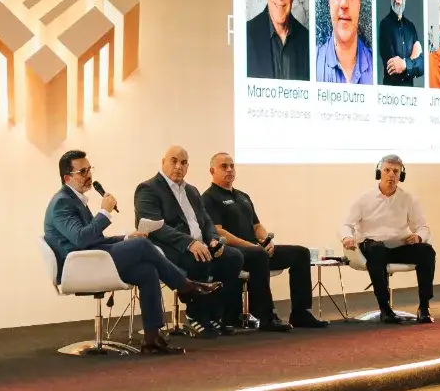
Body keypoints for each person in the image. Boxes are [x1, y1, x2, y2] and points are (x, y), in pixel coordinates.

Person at [43, 150, 220, 355]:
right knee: (144, 246)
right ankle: (186, 285)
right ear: (67, 178)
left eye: (89, 169)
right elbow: (82, 239)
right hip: (78, 267)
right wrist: (104, 212)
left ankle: (152, 340)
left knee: (147, 271)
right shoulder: (62, 202)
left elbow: (93, 239)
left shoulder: (75, 200)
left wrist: (126, 237)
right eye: (82, 171)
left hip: (91, 259)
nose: (88, 175)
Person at [203, 151, 329, 330]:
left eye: (232, 166)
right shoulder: (209, 198)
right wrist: (252, 246)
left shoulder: (242, 196)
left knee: (301, 253)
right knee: (258, 255)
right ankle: (266, 316)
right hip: (234, 252)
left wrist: (266, 241)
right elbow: (218, 230)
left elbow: (257, 226)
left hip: (256, 250)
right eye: (224, 166)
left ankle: (301, 313)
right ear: (212, 171)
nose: (229, 170)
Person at [135, 146, 248, 335]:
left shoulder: (192, 191)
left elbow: (206, 221)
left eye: (184, 163)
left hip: (199, 245)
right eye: (174, 161)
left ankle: (213, 314)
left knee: (233, 257)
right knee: (198, 258)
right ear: (163, 162)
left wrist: (213, 239)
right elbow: (155, 226)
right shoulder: (148, 189)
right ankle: (196, 314)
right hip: (168, 247)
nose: (179, 166)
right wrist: (189, 242)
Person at [339, 154, 436, 322]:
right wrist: (347, 238)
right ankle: (385, 308)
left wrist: (418, 237)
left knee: (426, 251)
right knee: (377, 250)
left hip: (398, 246)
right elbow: (346, 224)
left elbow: (423, 227)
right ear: (379, 173)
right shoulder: (365, 198)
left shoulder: (408, 199)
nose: (391, 174)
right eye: (387, 170)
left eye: (396, 171)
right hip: (372, 247)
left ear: (401, 176)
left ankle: (424, 306)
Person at [314, 0, 374, 84]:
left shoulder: (376, 66)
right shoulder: (313, 62)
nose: (344, 4)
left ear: (359, 5)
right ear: (329, 2)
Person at [377, 0, 423, 85]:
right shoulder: (384, 25)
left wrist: (403, 64)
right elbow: (393, 71)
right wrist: (413, 60)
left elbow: (422, 65)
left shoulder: (411, 27)